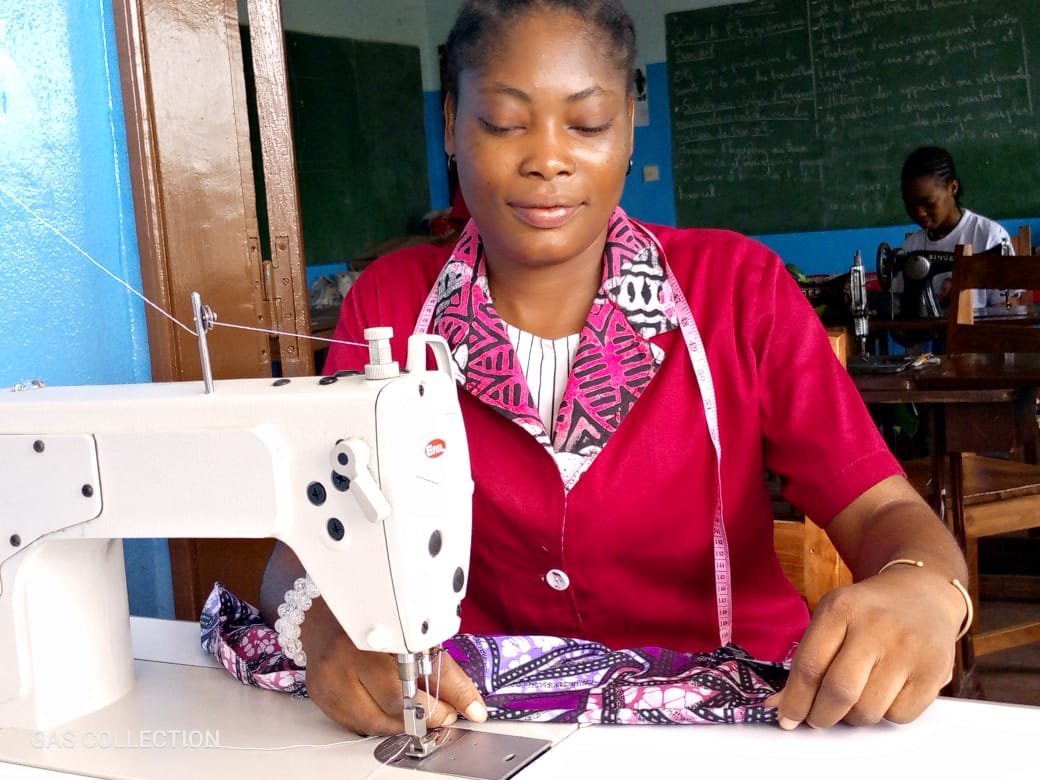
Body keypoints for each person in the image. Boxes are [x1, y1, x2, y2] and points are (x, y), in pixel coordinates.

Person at [258, 0, 969, 736]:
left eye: (588, 124)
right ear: (449, 128)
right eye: (503, 122)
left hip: (737, 729)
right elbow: (306, 550)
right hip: (483, 719)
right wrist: (326, 637)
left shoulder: (735, 289)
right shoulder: (392, 304)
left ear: (629, 130)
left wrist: (926, 591)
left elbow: (884, 511)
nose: (546, 157)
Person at [898, 145, 1016, 312]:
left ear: (952, 188)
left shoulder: (989, 236)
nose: (919, 212)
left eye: (928, 203)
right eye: (910, 205)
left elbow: (1009, 309)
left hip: (979, 336)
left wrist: (965, 292)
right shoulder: (910, 248)